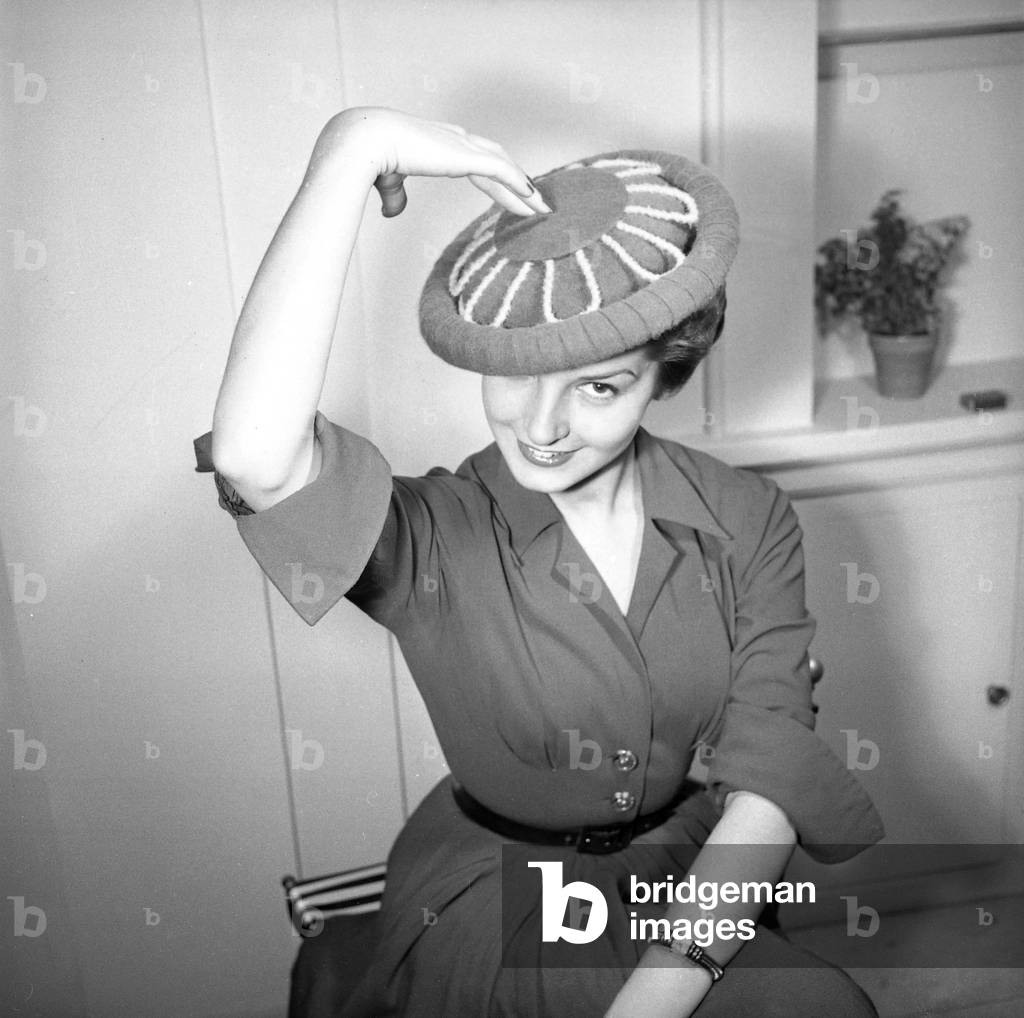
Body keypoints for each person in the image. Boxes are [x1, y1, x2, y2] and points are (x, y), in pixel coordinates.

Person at [193, 107, 885, 1017]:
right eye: (516, 370)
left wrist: (654, 1000)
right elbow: (254, 456)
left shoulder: (749, 518)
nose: (541, 426)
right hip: (503, 899)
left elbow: (770, 777)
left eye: (599, 385)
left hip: (685, 875)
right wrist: (349, 150)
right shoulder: (435, 533)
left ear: (666, 376)